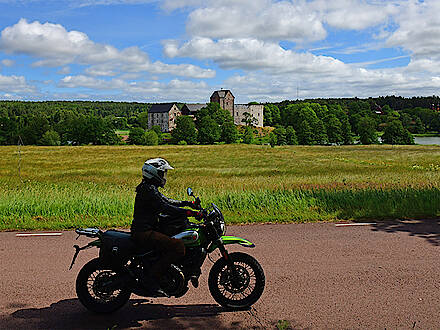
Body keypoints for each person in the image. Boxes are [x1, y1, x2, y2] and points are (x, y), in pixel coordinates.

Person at [131, 158, 201, 297]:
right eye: (162, 173)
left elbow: (166, 200)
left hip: (148, 229)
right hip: (144, 232)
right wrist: (190, 212)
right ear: (154, 173)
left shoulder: (149, 187)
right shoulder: (148, 190)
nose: (164, 176)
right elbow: (166, 207)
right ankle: (152, 279)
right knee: (178, 247)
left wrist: (188, 203)